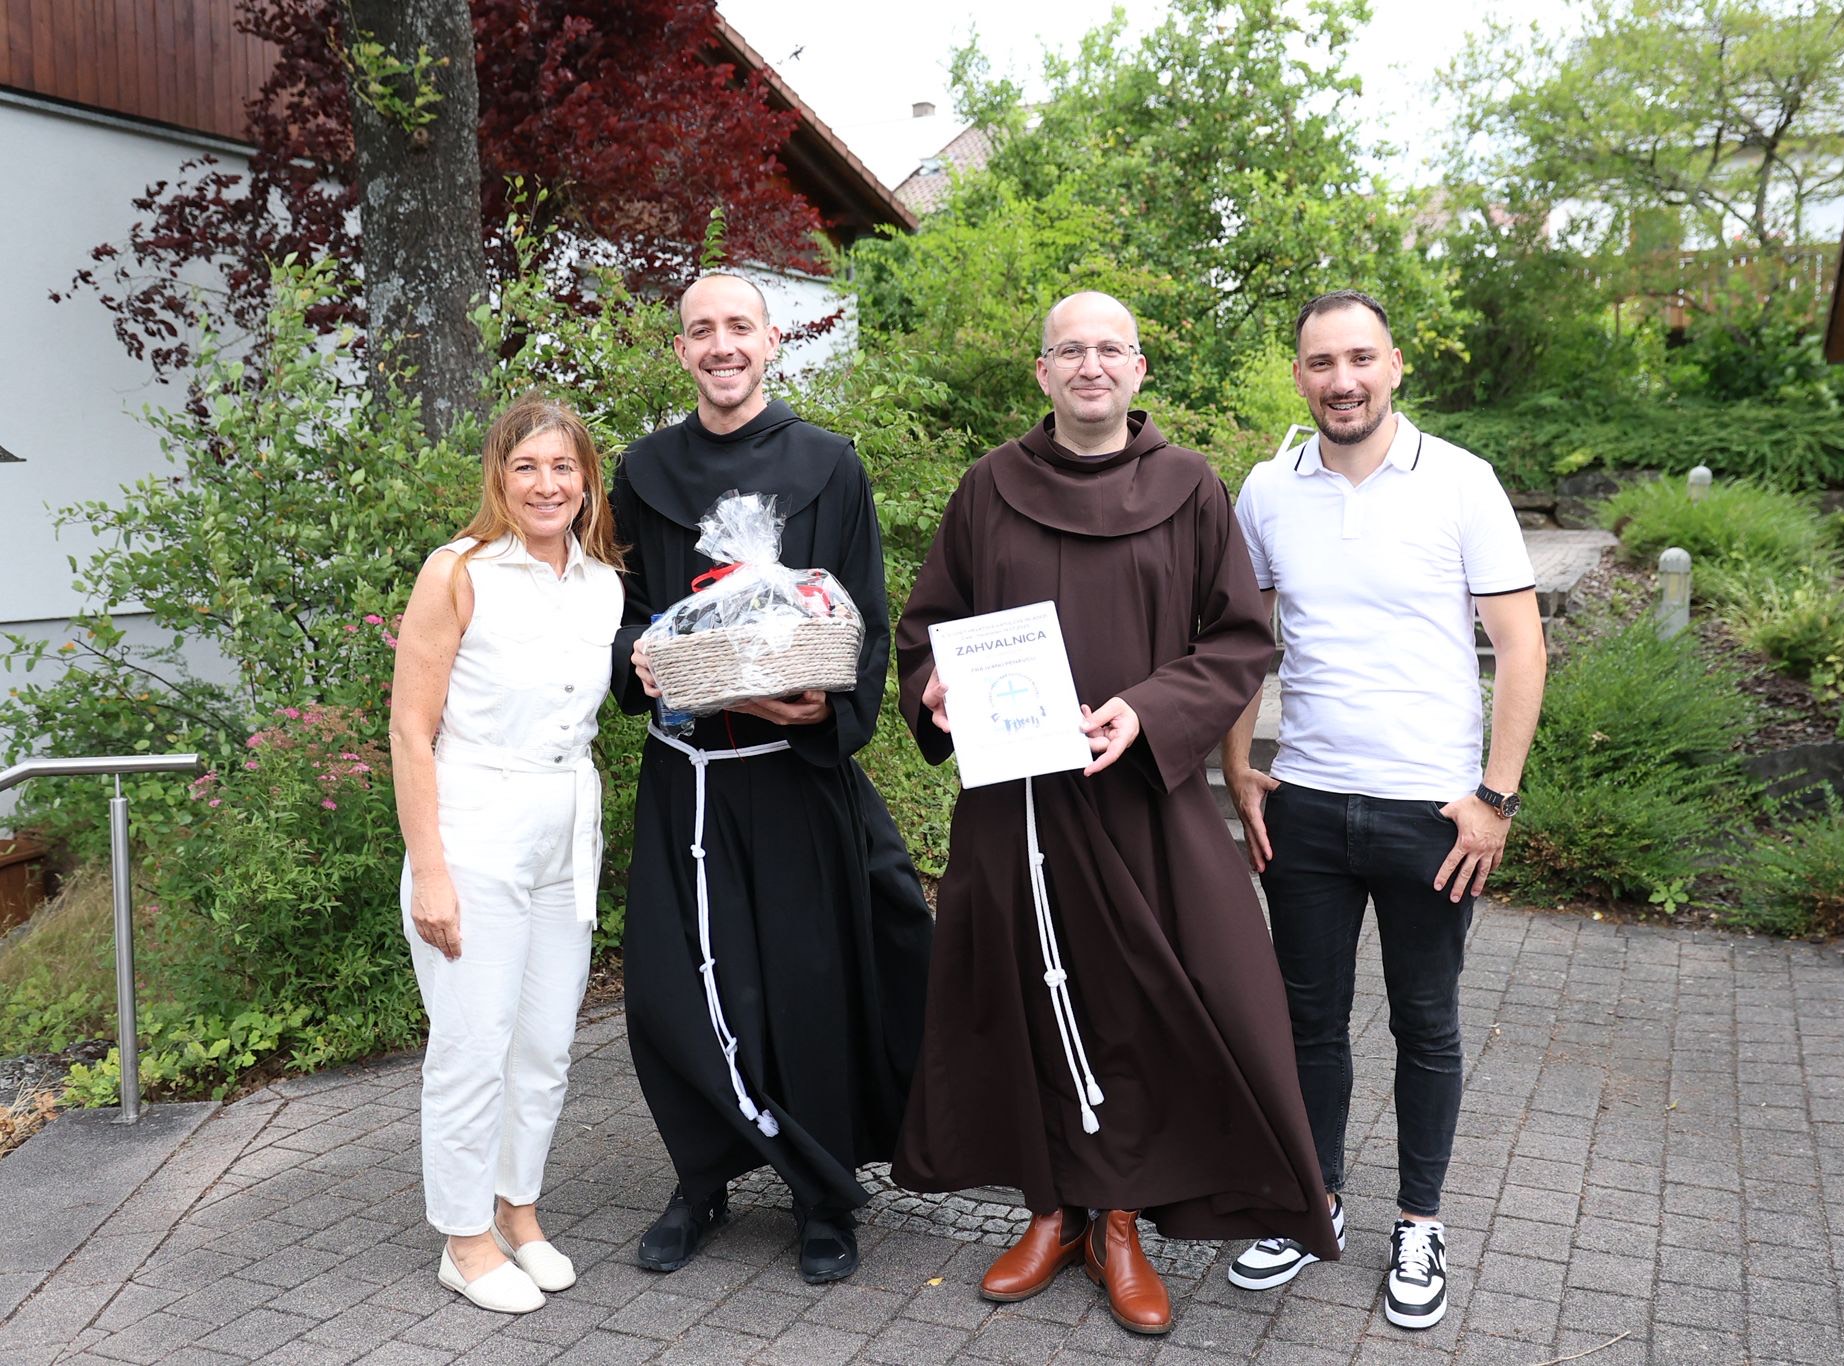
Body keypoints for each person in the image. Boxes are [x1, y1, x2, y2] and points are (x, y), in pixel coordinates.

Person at [891, 291, 1338, 1337]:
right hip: (1016, 807)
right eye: (1069, 350)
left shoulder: (1190, 487)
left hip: (1141, 801)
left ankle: (1122, 1220)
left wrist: (1147, 711)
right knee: (1025, 995)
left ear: (1137, 370)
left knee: (1139, 1003)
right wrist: (934, 689)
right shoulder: (987, 487)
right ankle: (1052, 1212)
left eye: (1109, 349)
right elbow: (929, 626)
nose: (1089, 366)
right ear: (1042, 372)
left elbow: (1238, 640)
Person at [1222, 291, 1547, 1330]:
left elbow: (1521, 646)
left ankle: (1418, 1221)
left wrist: (1494, 797)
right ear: (1298, 376)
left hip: (1432, 816)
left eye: (1360, 358)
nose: (1342, 380)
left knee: (1425, 1023)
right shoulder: (1267, 490)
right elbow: (1245, 641)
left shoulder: (1460, 480)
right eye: (1321, 362)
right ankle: (1310, 1201)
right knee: (1306, 1021)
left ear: (1395, 365)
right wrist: (1239, 767)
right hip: (1307, 804)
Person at [610, 273, 932, 1286]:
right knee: (679, 985)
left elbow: (863, 617)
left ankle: (821, 1195)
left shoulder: (827, 464)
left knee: (805, 984)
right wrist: (642, 659)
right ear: (679, 351)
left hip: (789, 776)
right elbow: (621, 613)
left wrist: (824, 709)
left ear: (771, 341)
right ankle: (701, 1177)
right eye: (701, 330)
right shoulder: (642, 472)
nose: (721, 345)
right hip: (686, 776)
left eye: (738, 327)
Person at [390, 396, 627, 1314]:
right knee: (472, 1045)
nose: (546, 484)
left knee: (546, 1046)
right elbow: (411, 731)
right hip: (475, 826)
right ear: (499, 476)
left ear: (587, 481)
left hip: (565, 829)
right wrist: (431, 871)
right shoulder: (458, 572)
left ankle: (516, 1210)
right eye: (527, 466)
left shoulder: (602, 583)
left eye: (563, 467)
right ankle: (463, 1240)